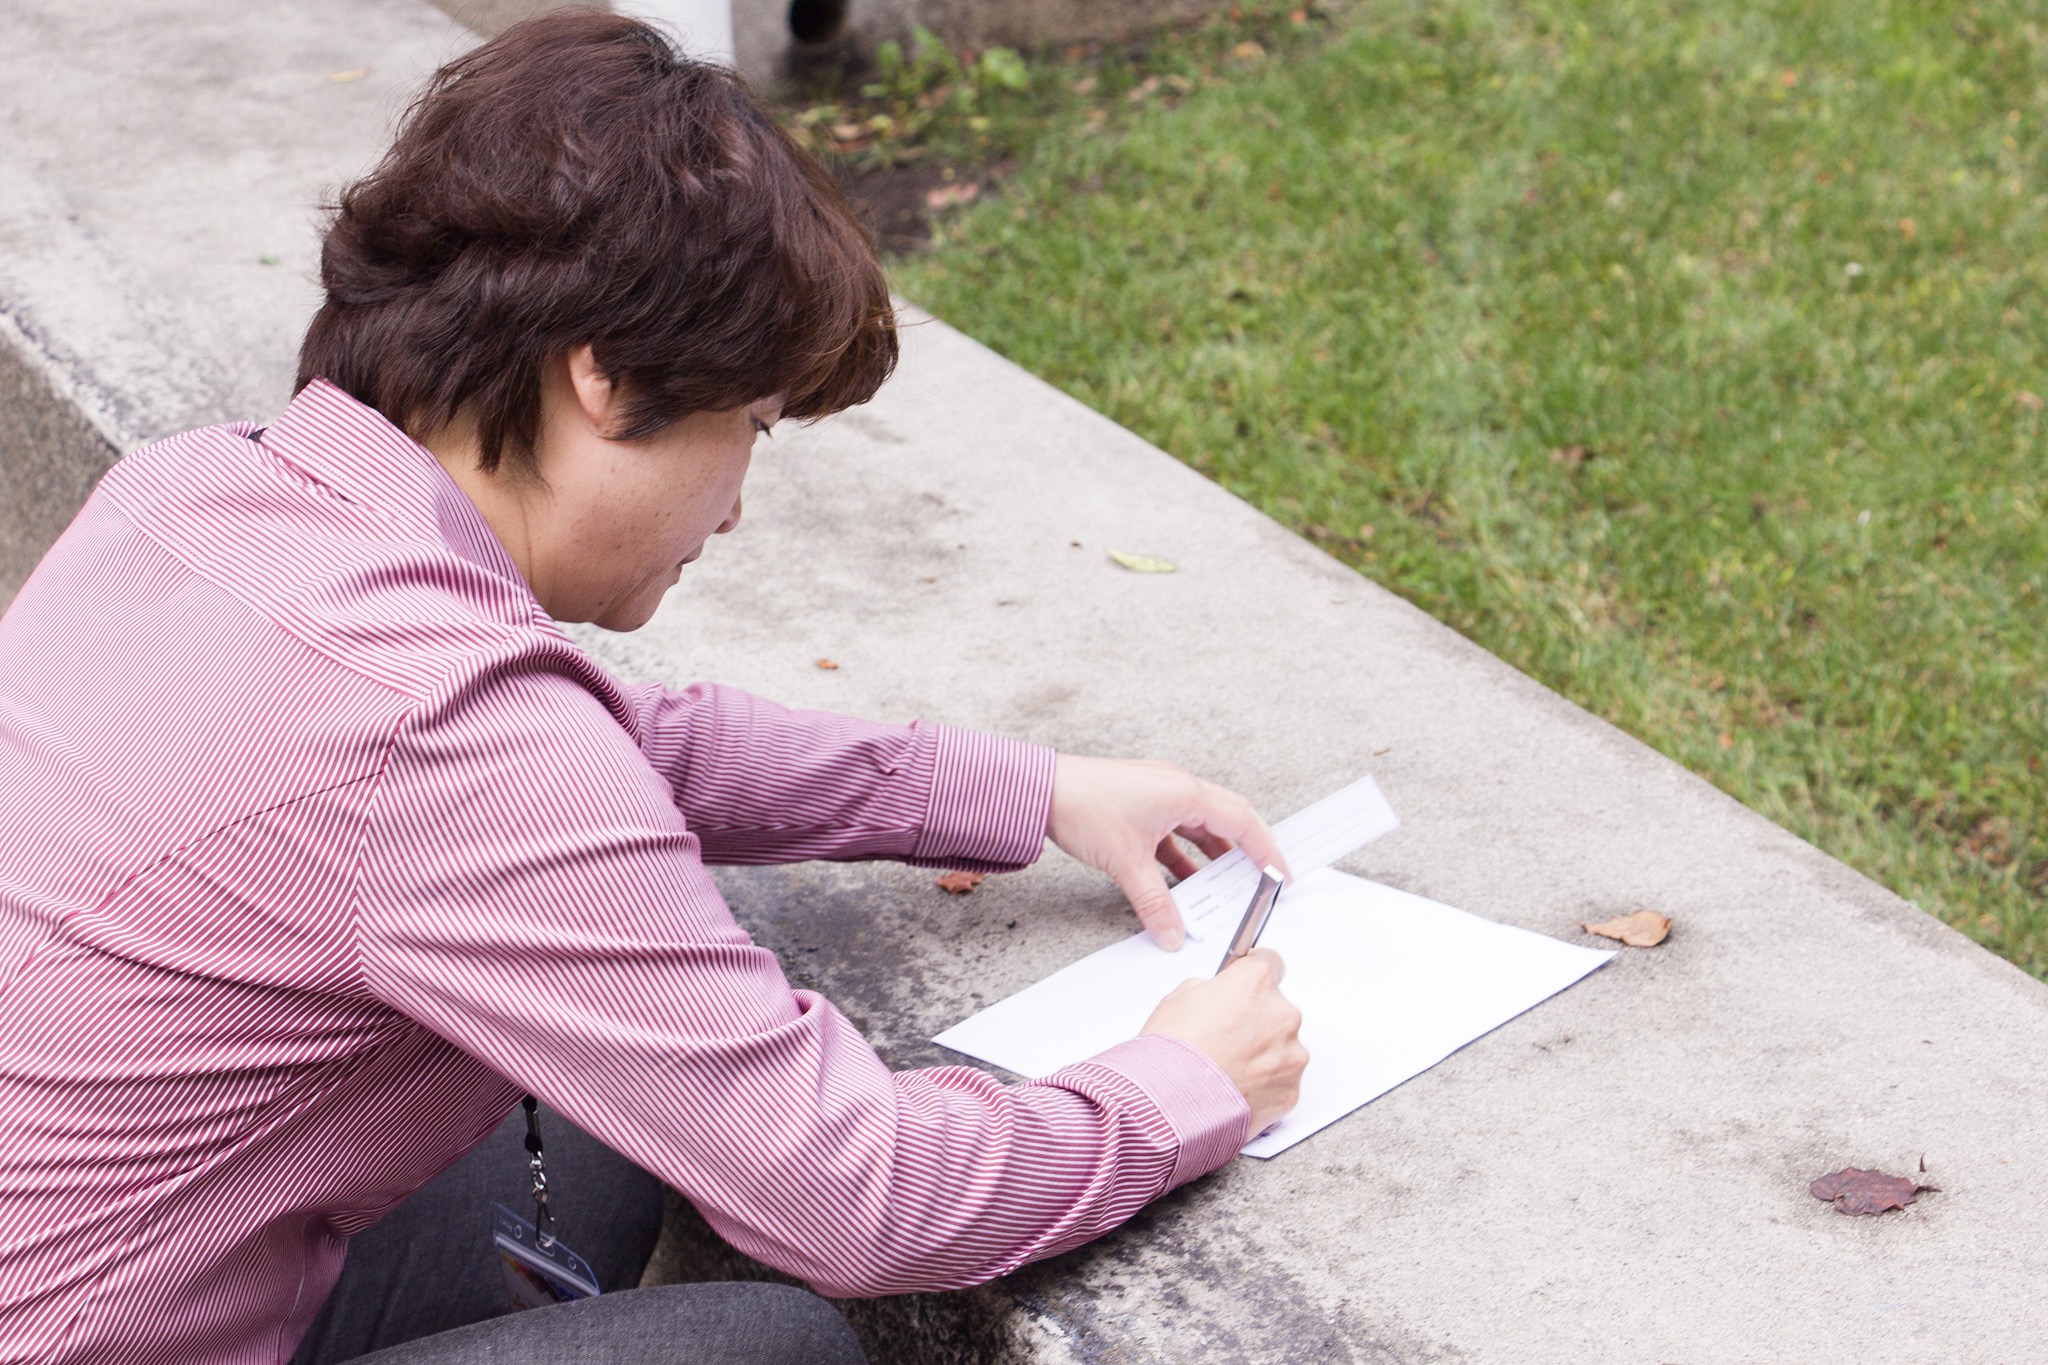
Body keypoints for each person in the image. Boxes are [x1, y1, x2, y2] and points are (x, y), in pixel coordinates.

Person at [0, 12, 1307, 1364]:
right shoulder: (445, 731)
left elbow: (591, 765)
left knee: (599, 1122)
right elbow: (860, 1197)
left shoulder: (199, 494)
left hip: (142, 1270)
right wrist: (1180, 1085)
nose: (735, 506)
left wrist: (1022, 788)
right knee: (768, 1348)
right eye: (752, 428)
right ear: (607, 378)